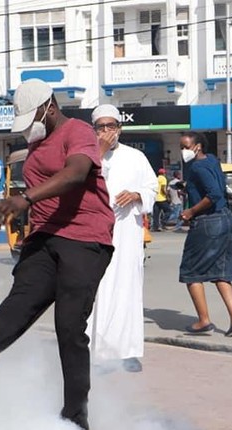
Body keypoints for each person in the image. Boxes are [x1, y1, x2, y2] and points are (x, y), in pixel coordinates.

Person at [0, 78, 114, 430]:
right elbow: (43, 193)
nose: (26, 131)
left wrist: (25, 199)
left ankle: (75, 417)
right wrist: (19, 214)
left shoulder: (76, 131)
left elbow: (77, 173)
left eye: (30, 119)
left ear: (49, 108)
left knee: (69, 327)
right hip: (45, 236)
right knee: (24, 294)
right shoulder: (36, 148)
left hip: (85, 238)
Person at [87, 104, 157, 373]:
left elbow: (151, 188)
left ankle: (127, 352)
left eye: (111, 126)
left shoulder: (136, 157)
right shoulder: (88, 156)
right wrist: (99, 153)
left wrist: (137, 195)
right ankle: (98, 353)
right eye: (101, 127)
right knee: (98, 291)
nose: (106, 132)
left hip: (127, 233)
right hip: (95, 232)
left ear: (120, 128)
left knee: (127, 289)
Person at [178, 132, 232, 338]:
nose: (183, 151)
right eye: (181, 146)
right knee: (220, 272)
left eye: (186, 146)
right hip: (226, 218)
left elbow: (214, 193)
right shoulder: (212, 160)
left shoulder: (197, 167)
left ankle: (203, 320)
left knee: (191, 271)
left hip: (208, 222)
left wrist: (190, 211)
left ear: (198, 147)